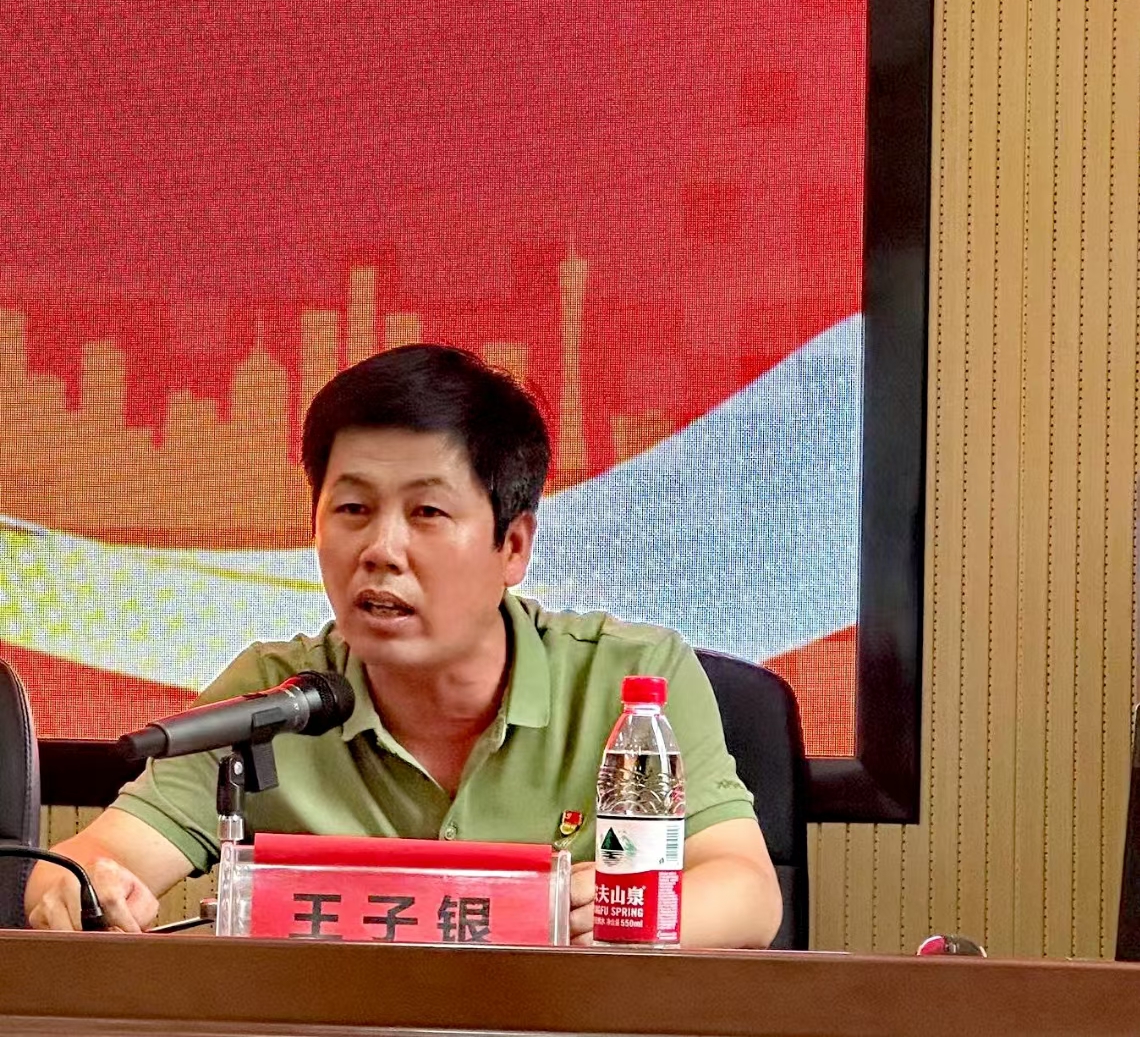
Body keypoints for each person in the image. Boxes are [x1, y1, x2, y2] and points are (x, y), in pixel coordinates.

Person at [25, 344, 782, 946]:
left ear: (513, 546)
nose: (381, 551)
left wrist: (616, 914)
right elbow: (89, 864)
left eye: (426, 513)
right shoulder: (270, 697)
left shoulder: (632, 681)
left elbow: (746, 893)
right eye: (353, 508)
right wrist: (83, 891)